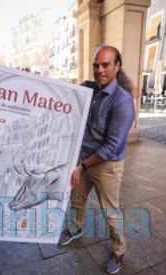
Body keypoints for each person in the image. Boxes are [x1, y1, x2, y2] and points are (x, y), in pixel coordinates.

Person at [58, 45, 135, 274]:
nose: (99, 70)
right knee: (77, 198)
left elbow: (111, 146)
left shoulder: (123, 101)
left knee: (110, 211)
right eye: (96, 65)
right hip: (84, 157)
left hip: (106, 166)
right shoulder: (88, 88)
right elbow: (65, 93)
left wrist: (81, 167)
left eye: (106, 65)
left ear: (117, 66)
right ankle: (76, 228)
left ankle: (119, 250)